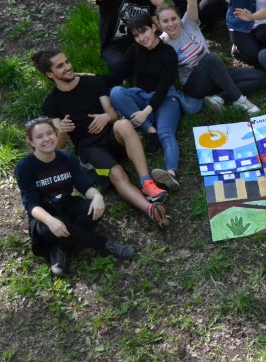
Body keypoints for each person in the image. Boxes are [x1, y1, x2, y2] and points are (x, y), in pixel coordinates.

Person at [32, 49, 171, 227]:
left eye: (67, 61)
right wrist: (62, 131)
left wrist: (106, 117)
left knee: (123, 124)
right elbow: (61, 144)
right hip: (89, 149)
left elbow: (113, 114)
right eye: (60, 66)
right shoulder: (51, 103)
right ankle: (151, 209)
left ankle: (147, 183)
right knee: (116, 173)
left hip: (111, 135)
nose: (68, 67)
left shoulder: (93, 82)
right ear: (50, 74)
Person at [15, 117, 134, 276]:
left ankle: (61, 249)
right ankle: (104, 244)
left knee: (94, 208)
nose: (46, 139)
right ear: (31, 142)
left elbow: (84, 185)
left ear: (56, 134)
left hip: (67, 205)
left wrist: (97, 197)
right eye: (39, 136)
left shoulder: (66, 158)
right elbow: (31, 205)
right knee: (54, 225)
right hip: (43, 217)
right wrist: (50, 220)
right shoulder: (24, 167)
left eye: (50, 133)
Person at [157, 0, 266, 116]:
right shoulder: (162, 43)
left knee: (260, 78)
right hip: (195, 84)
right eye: (165, 21)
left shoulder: (188, 23)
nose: (171, 24)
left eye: (173, 19)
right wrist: (158, 4)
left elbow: (191, 3)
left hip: (216, 72)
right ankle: (240, 100)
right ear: (159, 25)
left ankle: (219, 98)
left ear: (179, 18)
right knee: (210, 58)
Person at [105, 14, 198, 187]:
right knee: (116, 92)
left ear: (154, 28)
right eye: (136, 35)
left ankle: (171, 173)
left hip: (166, 98)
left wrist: (145, 112)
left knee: (166, 134)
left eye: (144, 31)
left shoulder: (168, 53)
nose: (141, 38)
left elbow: (163, 87)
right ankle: (150, 130)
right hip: (142, 96)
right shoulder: (134, 49)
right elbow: (117, 76)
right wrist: (89, 78)